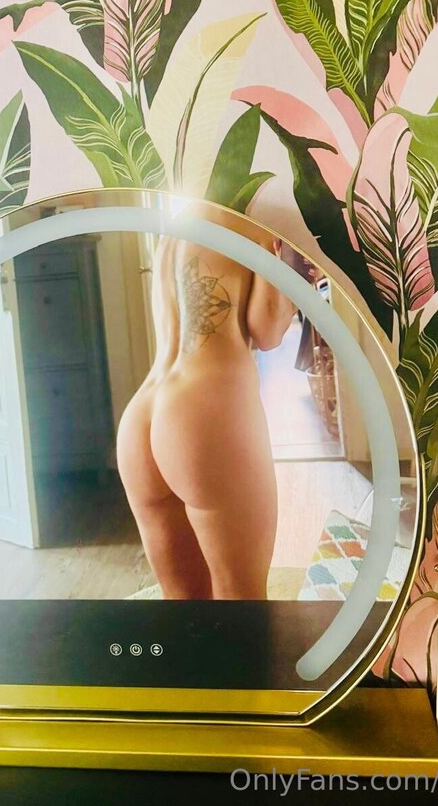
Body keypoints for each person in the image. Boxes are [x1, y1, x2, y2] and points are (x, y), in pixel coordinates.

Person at [117, 207, 295, 600]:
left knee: (185, 606)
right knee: (242, 603)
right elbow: (267, 330)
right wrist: (293, 281)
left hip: (143, 414)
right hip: (204, 413)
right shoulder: (255, 225)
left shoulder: (173, 233)